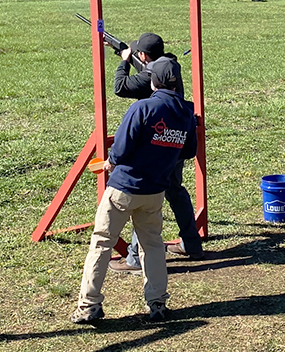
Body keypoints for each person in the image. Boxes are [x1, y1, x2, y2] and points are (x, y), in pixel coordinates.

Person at [72, 56, 195, 325]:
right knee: (152, 246)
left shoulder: (142, 107)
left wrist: (109, 162)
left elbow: (121, 148)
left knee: (102, 242)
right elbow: (189, 150)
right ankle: (157, 302)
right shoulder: (186, 112)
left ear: (155, 81)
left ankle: (88, 305)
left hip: (124, 187)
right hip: (155, 192)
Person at [109, 32, 203, 267]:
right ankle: (191, 243)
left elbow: (120, 87)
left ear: (142, 55)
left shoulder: (150, 75)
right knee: (174, 191)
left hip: (156, 143)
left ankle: (133, 258)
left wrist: (123, 61)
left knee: (144, 194)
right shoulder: (169, 66)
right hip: (175, 139)